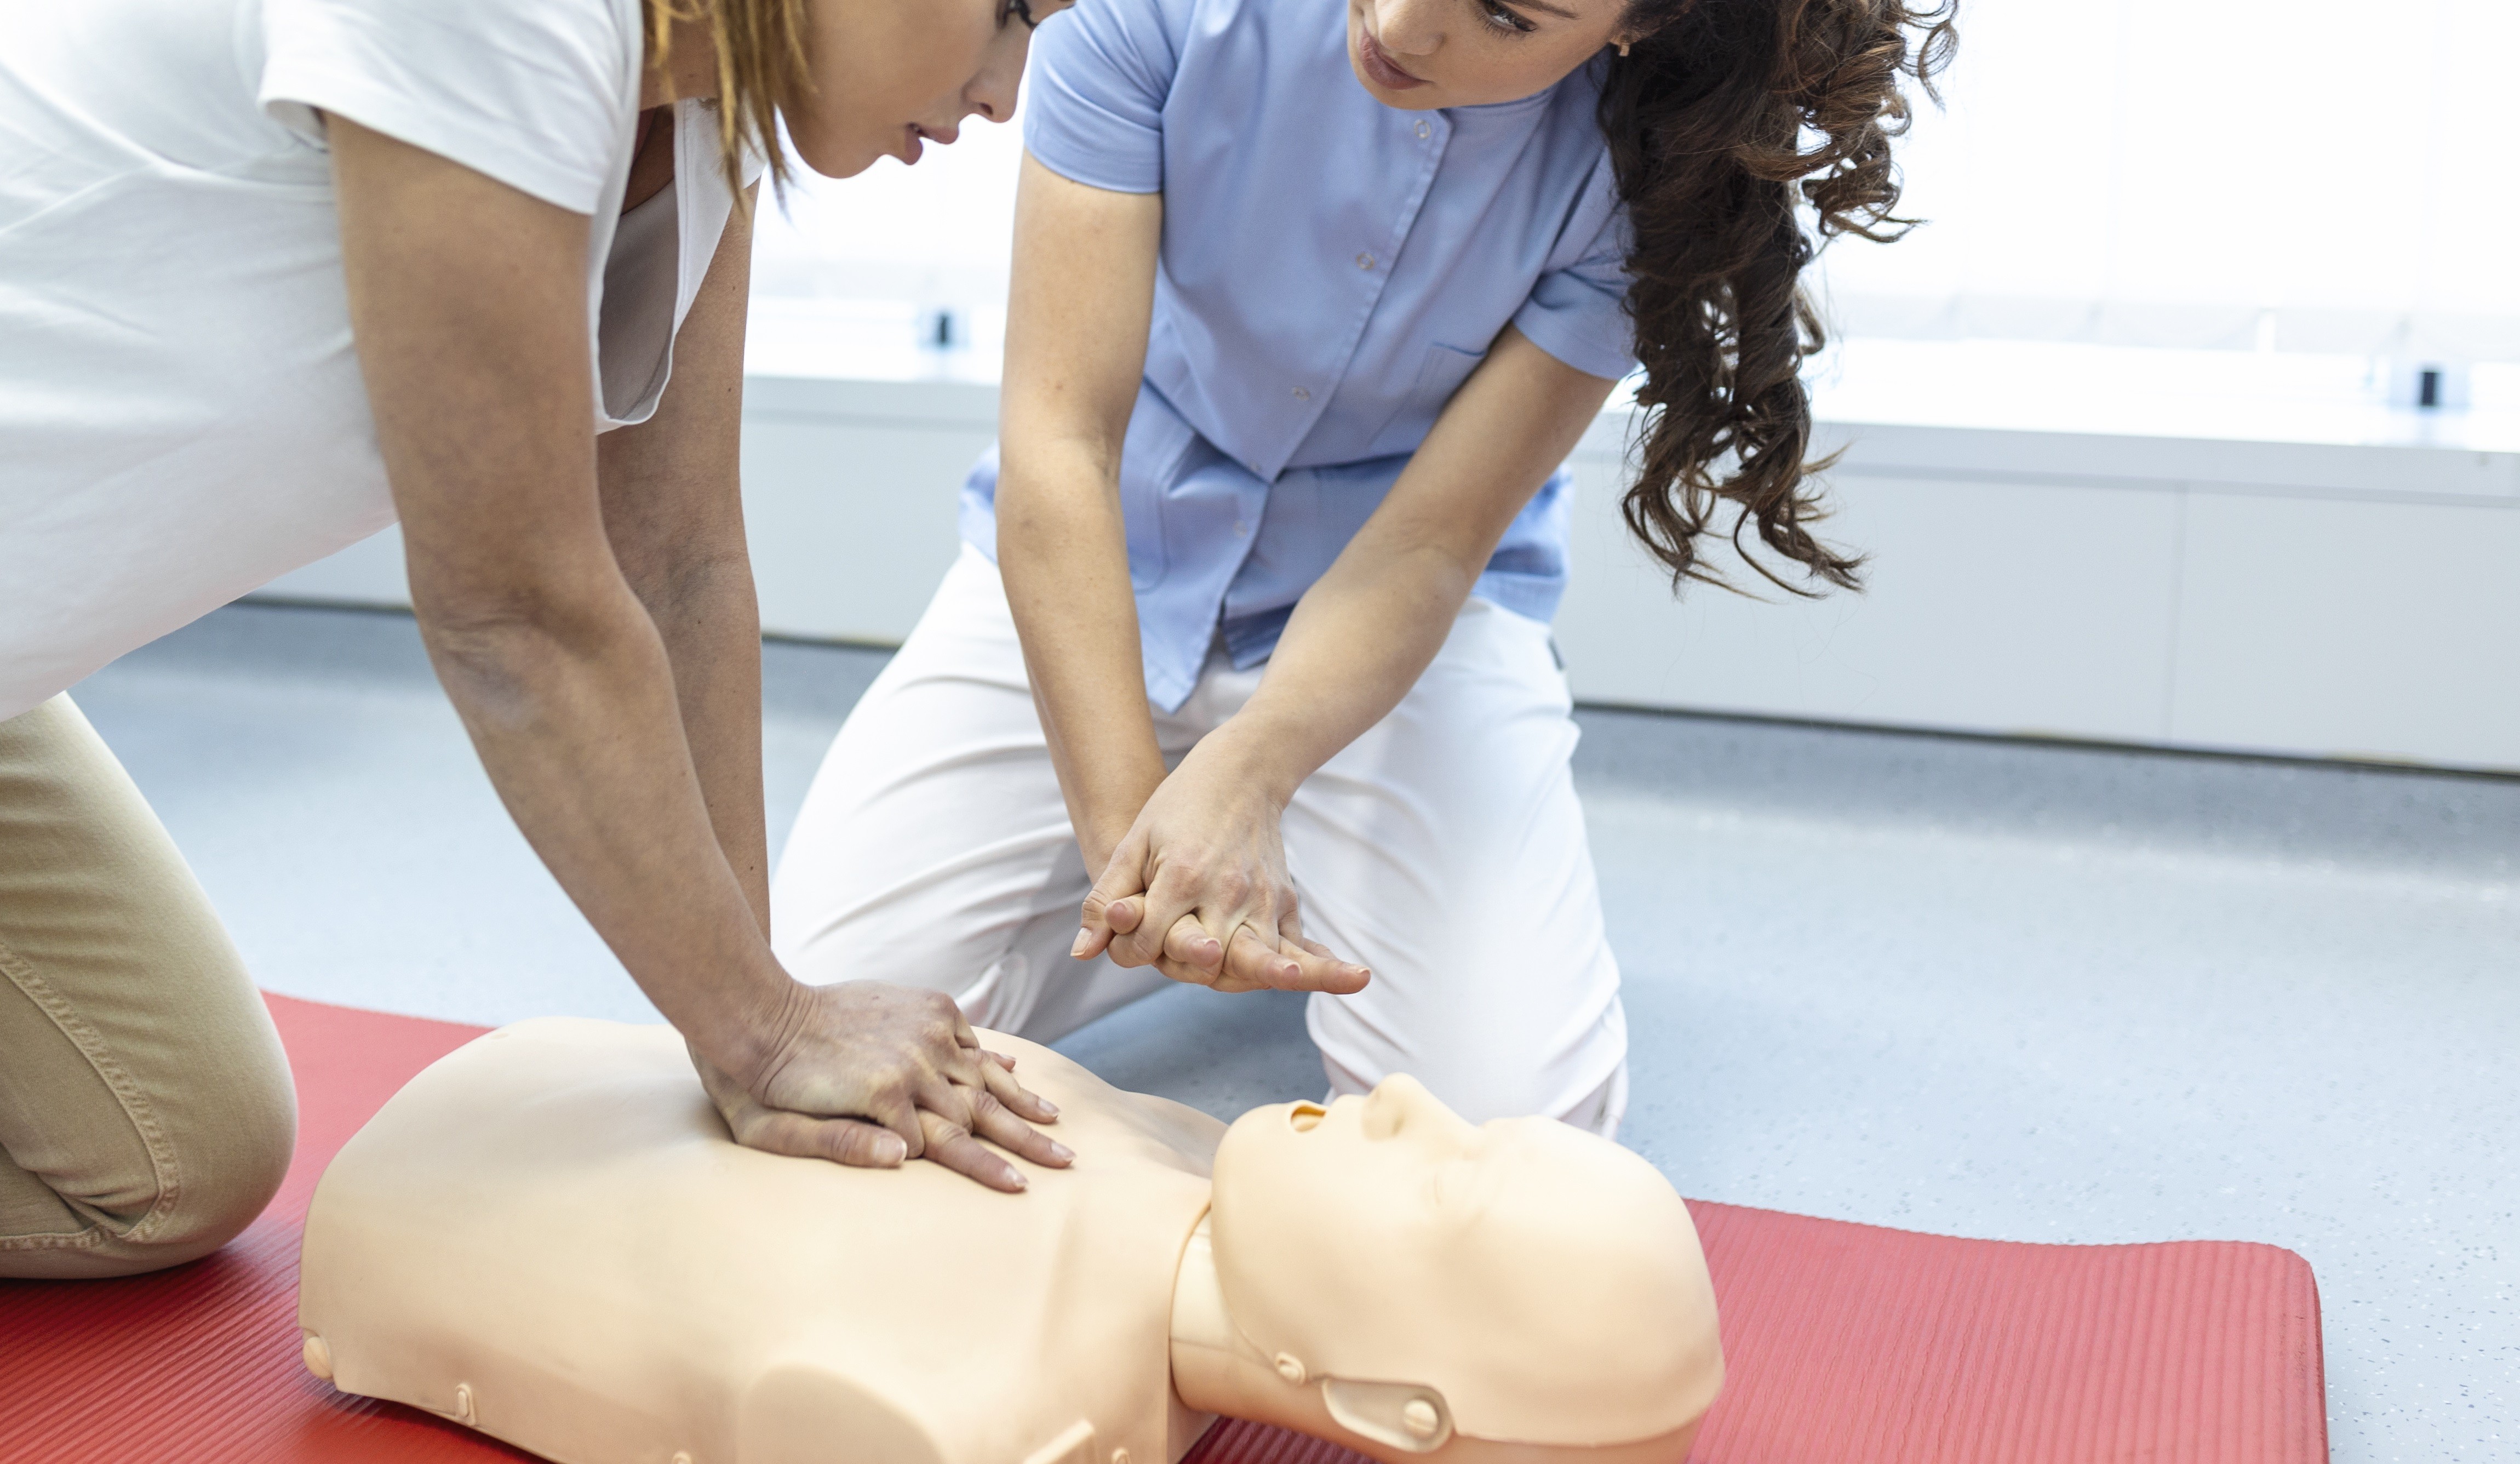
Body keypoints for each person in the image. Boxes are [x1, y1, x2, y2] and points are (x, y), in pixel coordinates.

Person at [0, 0, 1083, 1282]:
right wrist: (763, 1026)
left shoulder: (703, 114)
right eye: (1013, 12)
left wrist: (746, 1028)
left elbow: (679, 566)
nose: (1006, 92)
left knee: (171, 1159)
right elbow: (511, 612)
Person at [771, 0, 1957, 1131]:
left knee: (1512, 1128)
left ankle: (1268, 881)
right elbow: (1061, 446)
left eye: (1503, 16)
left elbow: (1429, 547)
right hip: (1100, 554)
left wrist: (1247, 773)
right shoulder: (1148, 14)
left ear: (1641, 26)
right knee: (817, 1019)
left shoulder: (1647, 180)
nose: (1397, 26)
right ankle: (1213, 911)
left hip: (1396, 619)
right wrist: (1136, 850)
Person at [297, 1016, 1724, 1463]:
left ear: (1387, 1411)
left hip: (429, 1193)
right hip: (503, 1121)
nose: (1409, 1100)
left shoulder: (981, 1409)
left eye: (1447, 1182)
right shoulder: (1169, 1150)